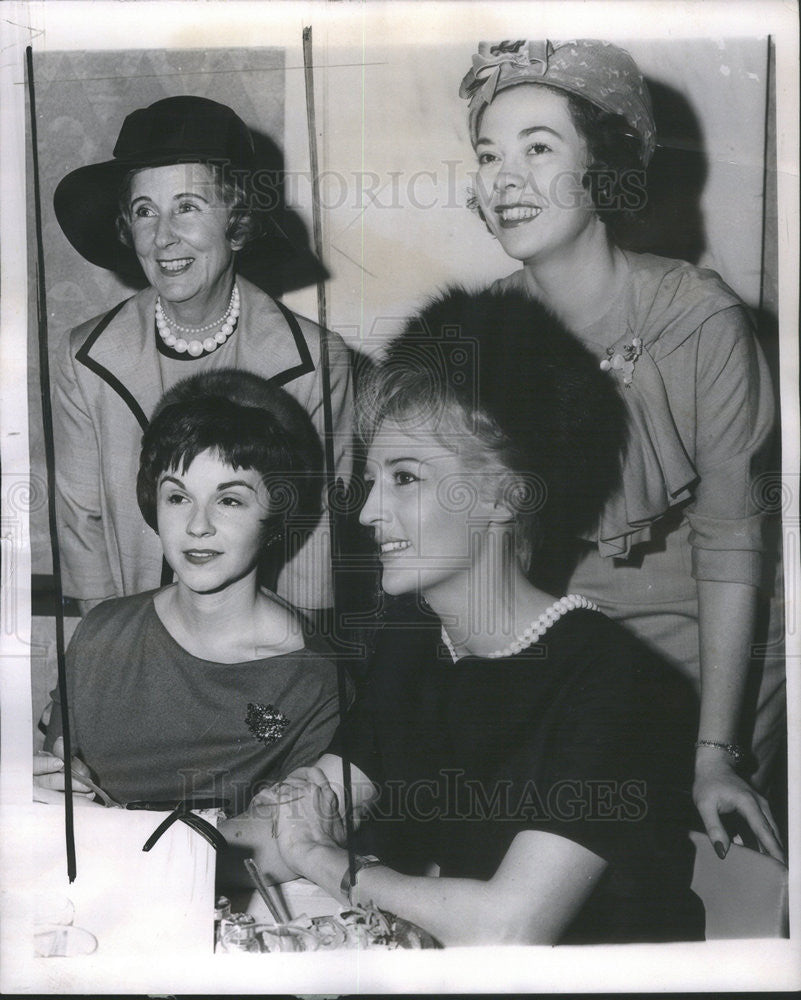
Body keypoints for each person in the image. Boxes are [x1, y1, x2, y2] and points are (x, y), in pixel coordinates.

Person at [238, 288, 705, 946]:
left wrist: (324, 860)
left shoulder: (616, 683)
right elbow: (327, 791)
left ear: (504, 496)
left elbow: (508, 928)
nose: (368, 512)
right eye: (371, 480)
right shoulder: (414, 634)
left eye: (404, 478)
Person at [457, 39, 784, 862]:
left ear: (601, 164)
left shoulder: (699, 318)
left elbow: (731, 542)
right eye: (489, 155)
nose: (504, 180)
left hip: (699, 642)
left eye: (538, 148)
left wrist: (716, 757)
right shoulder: (482, 328)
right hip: (555, 636)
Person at [52, 95, 352, 617]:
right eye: (145, 211)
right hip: (134, 635)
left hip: (260, 647)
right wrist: (108, 656)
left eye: (187, 206)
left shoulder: (315, 362)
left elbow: (318, 531)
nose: (164, 237)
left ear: (235, 221)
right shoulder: (86, 359)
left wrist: (290, 668)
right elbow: (82, 525)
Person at [35, 371, 348, 815]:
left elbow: (294, 843)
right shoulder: (101, 633)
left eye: (230, 500)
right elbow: (55, 795)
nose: (198, 526)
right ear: (153, 503)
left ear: (276, 512)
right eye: (178, 498)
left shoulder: (311, 680)